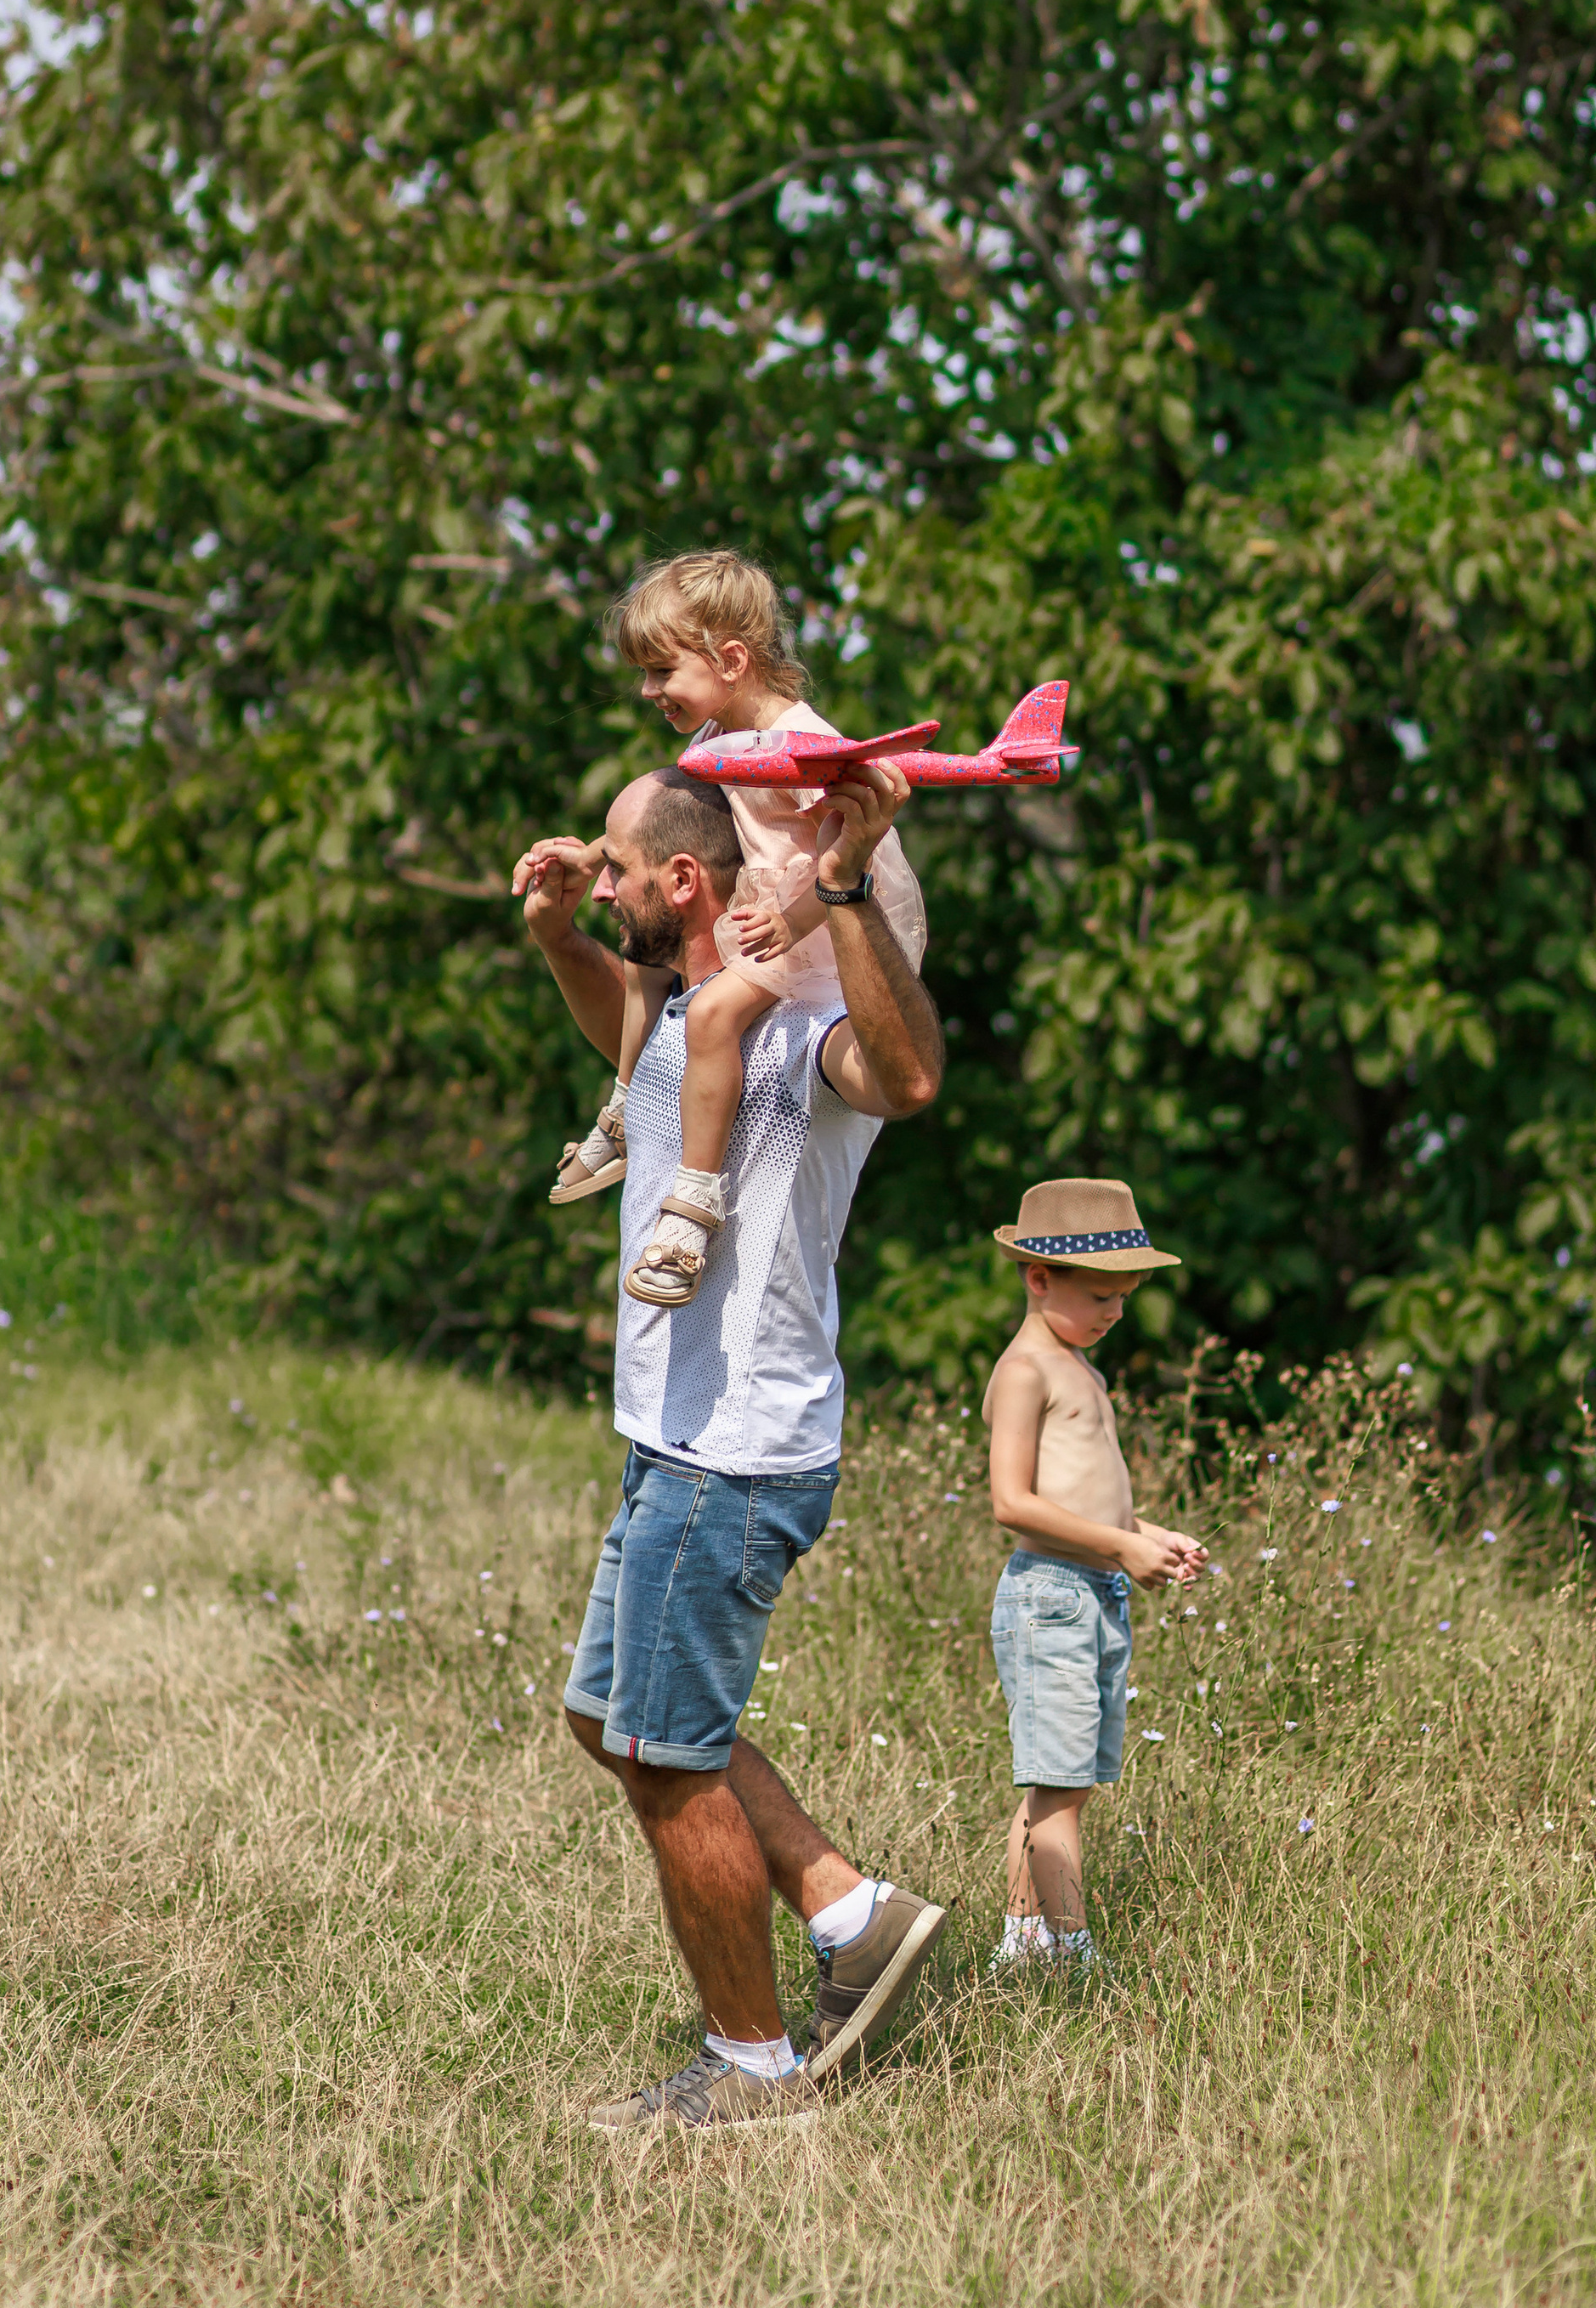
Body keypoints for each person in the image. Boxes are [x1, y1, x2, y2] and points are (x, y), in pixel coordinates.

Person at [511, 749, 948, 2130]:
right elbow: (621, 1057)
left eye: (618, 865)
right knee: (613, 1719)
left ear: (684, 880)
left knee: (670, 1759)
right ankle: (849, 1906)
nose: (600, 868)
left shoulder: (790, 1029)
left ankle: (752, 2070)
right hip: (669, 1445)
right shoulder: (678, 1015)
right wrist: (561, 935)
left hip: (738, 1456)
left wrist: (848, 890)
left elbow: (907, 1074)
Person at [548, 550, 926, 1317]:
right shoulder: (721, 733)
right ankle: (623, 1107)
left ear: (730, 659)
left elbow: (850, 854)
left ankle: (692, 1208)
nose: (649, 691)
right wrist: (593, 855)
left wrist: (789, 923)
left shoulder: (799, 742)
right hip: (769, 915)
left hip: (813, 935)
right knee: (646, 957)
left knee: (714, 1014)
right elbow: (663, 816)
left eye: (662, 672)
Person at [980, 1180, 1203, 1976]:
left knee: (1057, 1788)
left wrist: (1146, 1537)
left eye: (1125, 1298)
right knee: (1060, 1787)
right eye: (1101, 1295)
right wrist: (1118, 1545)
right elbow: (1012, 1503)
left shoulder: (1082, 1368)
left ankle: (1024, 1944)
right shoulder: (1025, 1372)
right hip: (1051, 1596)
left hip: (1092, 1594)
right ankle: (1074, 1953)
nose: (1116, 1312)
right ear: (1039, 1277)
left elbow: (1089, 1494)